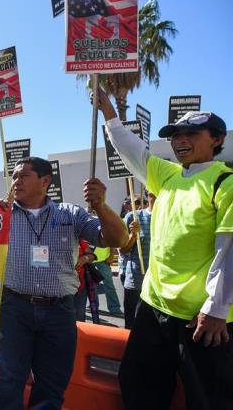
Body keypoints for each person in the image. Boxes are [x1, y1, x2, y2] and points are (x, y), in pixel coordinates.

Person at [99, 92, 233, 409]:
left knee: (208, 398)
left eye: (190, 134)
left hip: (201, 320)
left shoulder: (224, 183)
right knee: (138, 385)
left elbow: (228, 251)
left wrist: (216, 310)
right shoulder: (169, 176)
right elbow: (135, 153)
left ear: (217, 139)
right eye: (175, 136)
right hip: (154, 307)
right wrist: (110, 116)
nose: (180, 141)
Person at [0, 157, 127, 410]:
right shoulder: (1, 214)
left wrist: (101, 207)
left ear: (45, 181)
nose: (15, 181)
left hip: (59, 312)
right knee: (10, 380)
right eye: (14, 177)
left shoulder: (71, 214)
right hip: (14, 309)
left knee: (51, 385)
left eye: (23, 176)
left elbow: (117, 239)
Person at [119, 193, 154, 329]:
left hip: (158, 284)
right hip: (136, 281)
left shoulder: (168, 216)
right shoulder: (133, 217)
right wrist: (133, 235)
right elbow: (123, 249)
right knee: (132, 326)